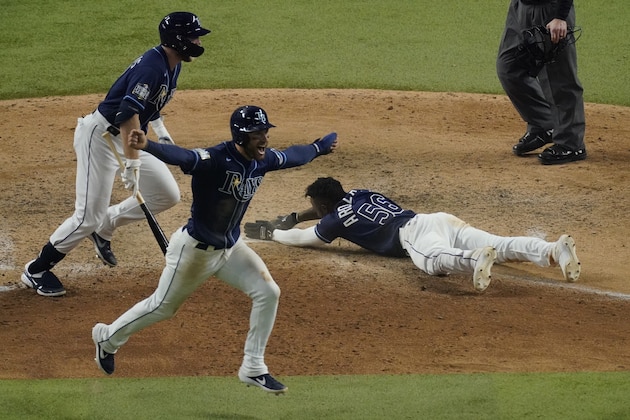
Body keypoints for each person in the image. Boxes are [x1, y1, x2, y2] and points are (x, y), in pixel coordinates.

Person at [91, 105, 338, 394]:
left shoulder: (261, 160)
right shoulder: (215, 160)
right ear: (241, 136)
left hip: (230, 249)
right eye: (257, 134)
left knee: (268, 292)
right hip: (195, 252)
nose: (264, 139)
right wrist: (148, 145)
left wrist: (318, 147)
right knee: (162, 306)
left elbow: (294, 156)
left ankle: (253, 367)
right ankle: (107, 339)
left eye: (265, 132)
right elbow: (184, 156)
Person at [21, 12, 211, 297]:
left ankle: (105, 227)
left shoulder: (172, 63)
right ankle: (36, 270)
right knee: (87, 217)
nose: (198, 41)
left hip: (132, 138)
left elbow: (152, 103)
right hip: (101, 138)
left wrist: (161, 132)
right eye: (194, 36)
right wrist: (132, 167)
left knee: (166, 194)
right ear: (178, 40)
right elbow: (127, 114)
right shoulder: (152, 67)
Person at [244, 177, 581, 291]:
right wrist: (294, 215)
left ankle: (473, 260)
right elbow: (326, 209)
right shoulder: (360, 193)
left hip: (411, 236)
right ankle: (554, 250)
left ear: (323, 205)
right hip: (437, 220)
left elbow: (304, 238)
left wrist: (272, 233)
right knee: (500, 244)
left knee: (433, 262)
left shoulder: (334, 222)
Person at [496, 0, 586, 165]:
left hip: (551, 10)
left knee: (560, 80)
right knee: (509, 67)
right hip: (520, 8)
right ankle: (543, 124)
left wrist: (560, 16)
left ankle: (571, 143)